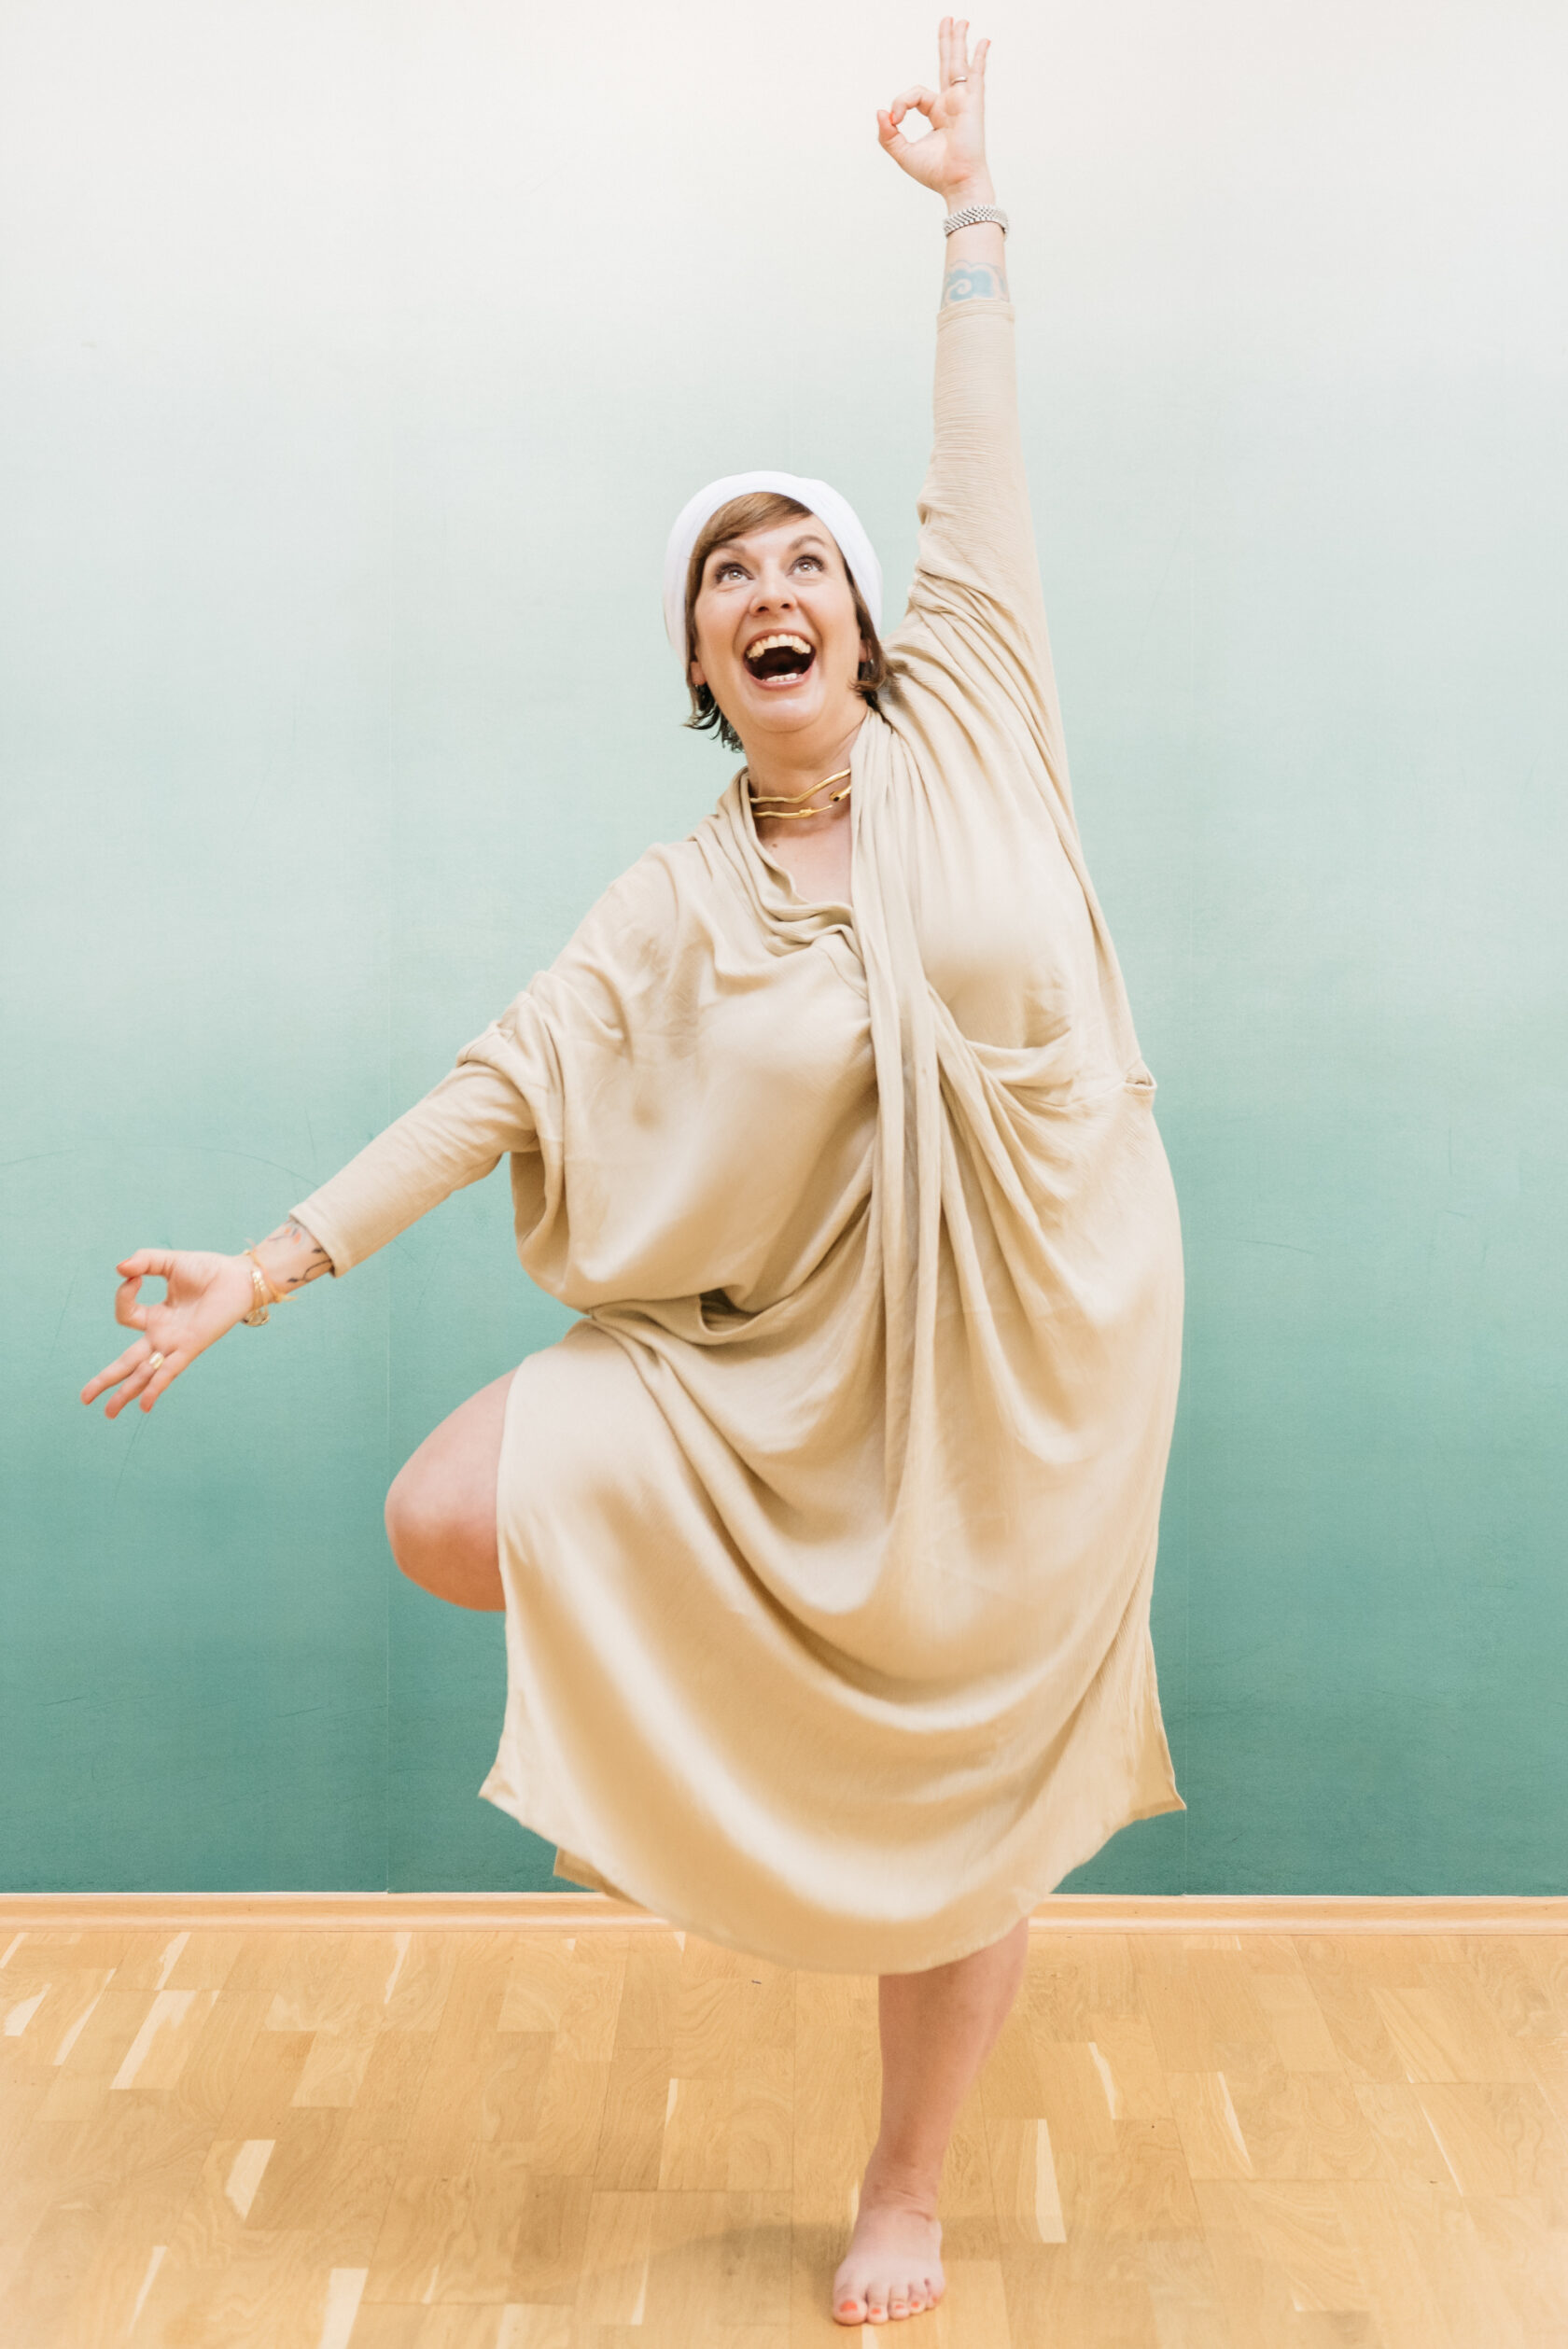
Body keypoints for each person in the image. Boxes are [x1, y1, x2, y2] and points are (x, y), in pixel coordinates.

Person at [82, 20, 1184, 2327]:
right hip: (792, 1367)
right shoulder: (674, 901)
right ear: (702, 658)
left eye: (802, 559)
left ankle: (906, 2178)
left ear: (863, 611)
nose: (768, 587)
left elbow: (975, 461)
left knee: (976, 1775)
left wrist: (971, 216)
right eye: (723, 577)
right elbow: (499, 1085)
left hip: (1039, 1354)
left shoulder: (986, 717)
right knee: (452, 1506)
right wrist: (262, 1268)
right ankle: (702, 1750)